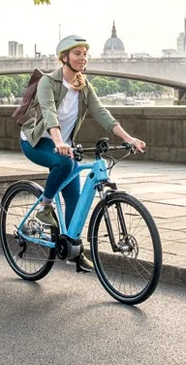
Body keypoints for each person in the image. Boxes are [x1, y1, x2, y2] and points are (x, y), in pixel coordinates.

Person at [20, 35, 145, 273]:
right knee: (66, 164)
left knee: (75, 202)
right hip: (36, 142)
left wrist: (128, 138)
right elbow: (48, 113)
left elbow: (101, 113)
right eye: (77, 53)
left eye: (85, 54)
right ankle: (45, 207)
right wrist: (58, 141)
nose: (82, 58)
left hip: (63, 145)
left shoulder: (83, 85)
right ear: (64, 57)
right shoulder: (48, 81)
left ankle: (73, 249)